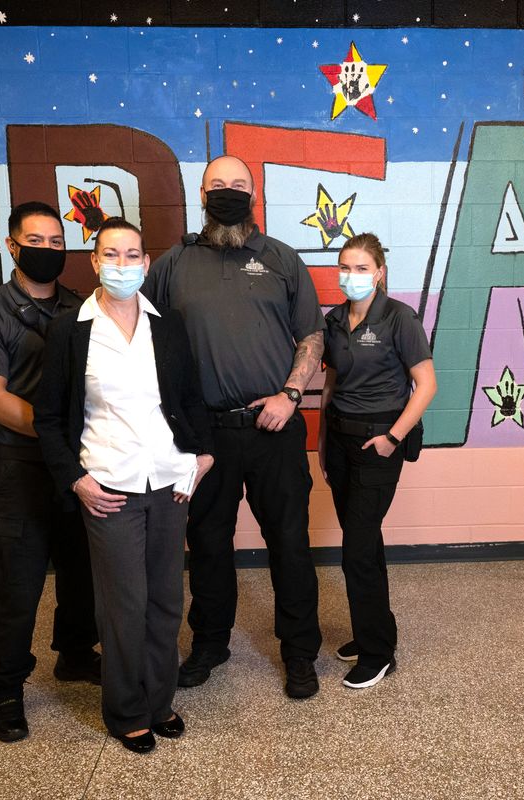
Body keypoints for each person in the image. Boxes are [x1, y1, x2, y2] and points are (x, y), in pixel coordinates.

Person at [142, 155, 325, 699]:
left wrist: (292, 396)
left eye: (238, 185)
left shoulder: (283, 260)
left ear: (254, 194)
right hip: (203, 437)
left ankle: (298, 652)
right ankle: (210, 644)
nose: (228, 192)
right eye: (217, 185)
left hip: (275, 426)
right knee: (208, 544)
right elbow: (142, 340)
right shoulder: (172, 265)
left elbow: (311, 338)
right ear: (202, 194)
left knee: (289, 543)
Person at [34, 217, 214, 754]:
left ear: (146, 263)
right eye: (110, 255)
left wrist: (202, 456)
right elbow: (48, 418)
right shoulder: (72, 329)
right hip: (108, 487)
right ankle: (126, 710)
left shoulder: (169, 325)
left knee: (164, 600)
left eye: (132, 254)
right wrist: (76, 479)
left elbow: (191, 399)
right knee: (123, 604)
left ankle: (159, 702)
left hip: (170, 482)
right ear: (93, 262)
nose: (121, 264)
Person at [0, 201, 99, 743]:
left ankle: (75, 653)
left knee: (81, 568)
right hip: (22, 465)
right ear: (12, 246)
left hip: (77, 463)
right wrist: (58, 437)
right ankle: (7, 685)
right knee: (18, 583)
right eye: (34, 241)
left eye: (55, 241)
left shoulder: (82, 307)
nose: (47, 250)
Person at [318, 233, 436, 689]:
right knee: (363, 541)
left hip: (379, 444)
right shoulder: (333, 321)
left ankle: (377, 653)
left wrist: (392, 437)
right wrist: (325, 443)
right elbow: (329, 388)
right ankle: (377, 630)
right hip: (342, 442)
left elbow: (426, 385)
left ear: (380, 272)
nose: (352, 276)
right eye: (345, 267)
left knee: (356, 551)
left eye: (362, 268)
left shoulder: (399, 318)